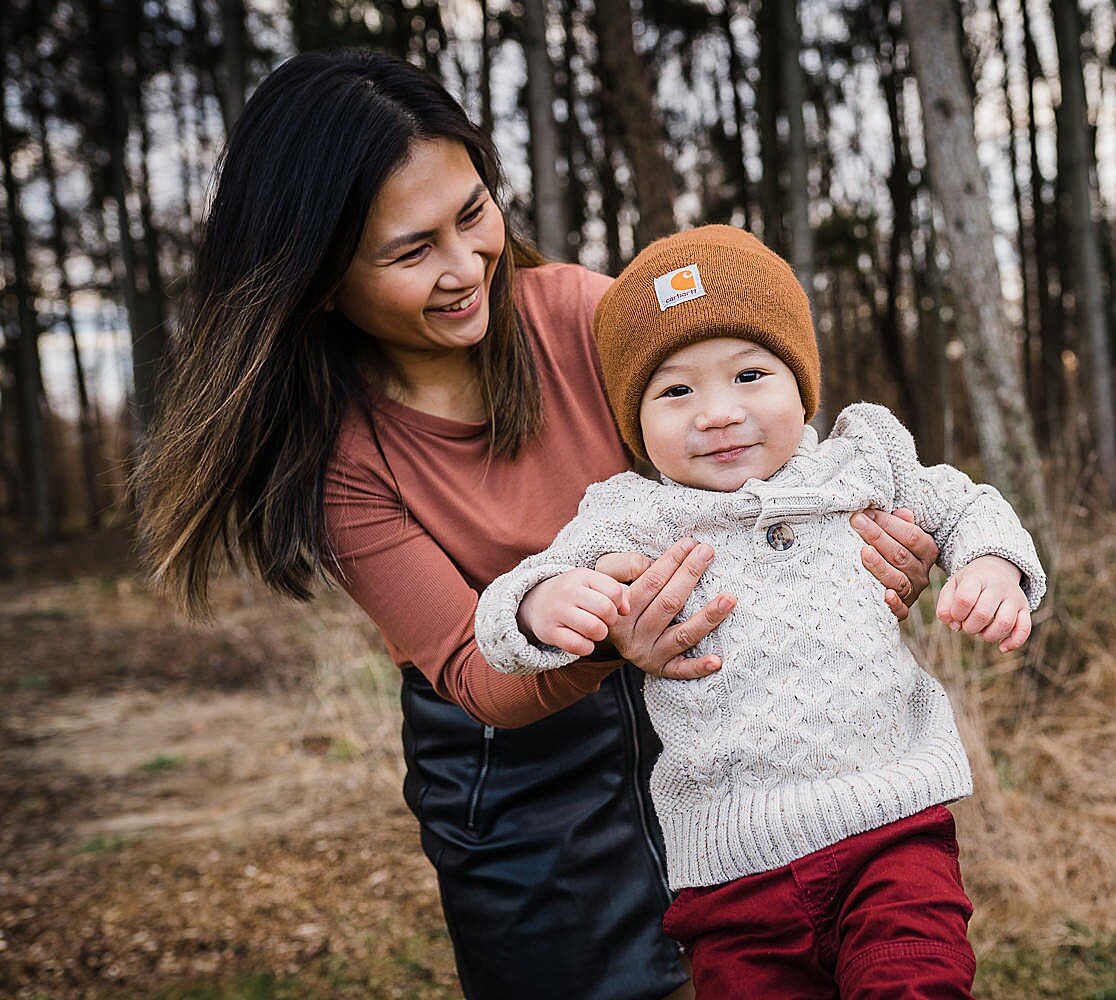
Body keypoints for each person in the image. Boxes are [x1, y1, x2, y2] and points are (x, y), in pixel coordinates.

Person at [135, 51, 942, 1000]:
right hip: (511, 770)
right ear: (319, 277)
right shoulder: (339, 456)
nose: (464, 265)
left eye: (472, 214)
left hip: (706, 717)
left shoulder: (587, 319)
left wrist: (875, 549)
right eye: (409, 250)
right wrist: (606, 637)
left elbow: (767, 469)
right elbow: (478, 676)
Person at [474, 225, 1046, 998]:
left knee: (914, 985)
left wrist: (991, 563)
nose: (716, 413)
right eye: (675, 391)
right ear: (633, 421)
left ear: (801, 383)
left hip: (892, 835)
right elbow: (506, 610)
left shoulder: (861, 460)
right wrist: (543, 604)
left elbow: (965, 503)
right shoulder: (630, 513)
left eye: (749, 374)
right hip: (734, 875)